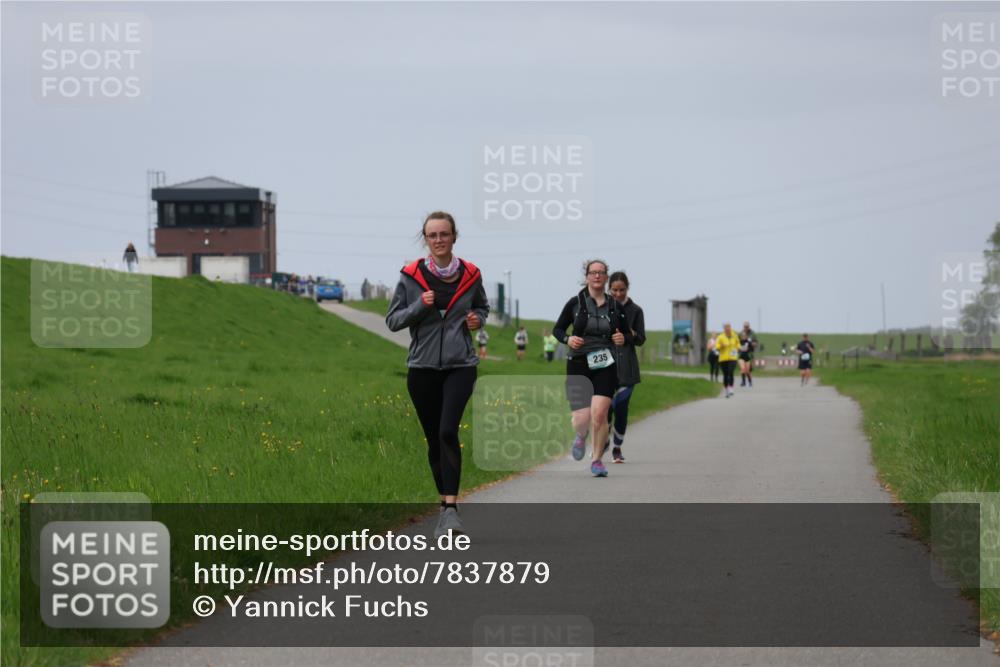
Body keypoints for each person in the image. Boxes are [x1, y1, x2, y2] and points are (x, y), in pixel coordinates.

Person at [386, 211, 489, 537]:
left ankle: (450, 510)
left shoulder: (472, 274)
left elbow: (482, 307)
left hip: (461, 366)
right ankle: (445, 506)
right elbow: (393, 320)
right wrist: (421, 305)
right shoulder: (410, 275)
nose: (439, 240)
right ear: (425, 239)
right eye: (433, 235)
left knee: (447, 431)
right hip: (422, 369)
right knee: (434, 438)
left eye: (444, 234)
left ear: (454, 237)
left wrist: (478, 319)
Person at [552, 259, 625, 477]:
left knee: (600, 414)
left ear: (606, 277)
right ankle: (581, 436)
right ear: (587, 277)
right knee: (581, 418)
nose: (597, 276)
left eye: (601, 273)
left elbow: (627, 334)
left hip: (604, 361)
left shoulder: (614, 306)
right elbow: (558, 329)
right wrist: (568, 339)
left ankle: (596, 460)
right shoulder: (575, 303)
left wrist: (621, 338)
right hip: (578, 363)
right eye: (593, 272)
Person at [604, 271, 645, 464]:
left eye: (622, 290)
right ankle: (603, 440)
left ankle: (617, 448)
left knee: (621, 408)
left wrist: (628, 335)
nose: (618, 294)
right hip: (604, 365)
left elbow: (640, 339)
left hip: (627, 367)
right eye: (614, 290)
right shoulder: (600, 307)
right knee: (603, 410)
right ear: (608, 289)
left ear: (627, 288)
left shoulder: (636, 310)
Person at [716, 322, 740, 398]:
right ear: (724, 328)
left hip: (733, 357)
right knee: (726, 375)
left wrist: (740, 348)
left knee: (730, 372)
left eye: (729, 327)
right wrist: (721, 346)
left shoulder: (734, 335)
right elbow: (717, 347)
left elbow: (737, 344)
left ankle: (731, 388)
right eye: (726, 327)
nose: (728, 328)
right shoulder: (720, 337)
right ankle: (726, 390)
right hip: (723, 358)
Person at [738, 321, 758, 388]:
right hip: (741, 355)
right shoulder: (740, 333)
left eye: (747, 326)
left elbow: (755, 343)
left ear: (749, 326)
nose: (746, 328)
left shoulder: (752, 334)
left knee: (748, 370)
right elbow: (736, 344)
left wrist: (752, 344)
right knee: (742, 369)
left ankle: (750, 382)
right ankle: (743, 382)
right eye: (744, 326)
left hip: (749, 355)